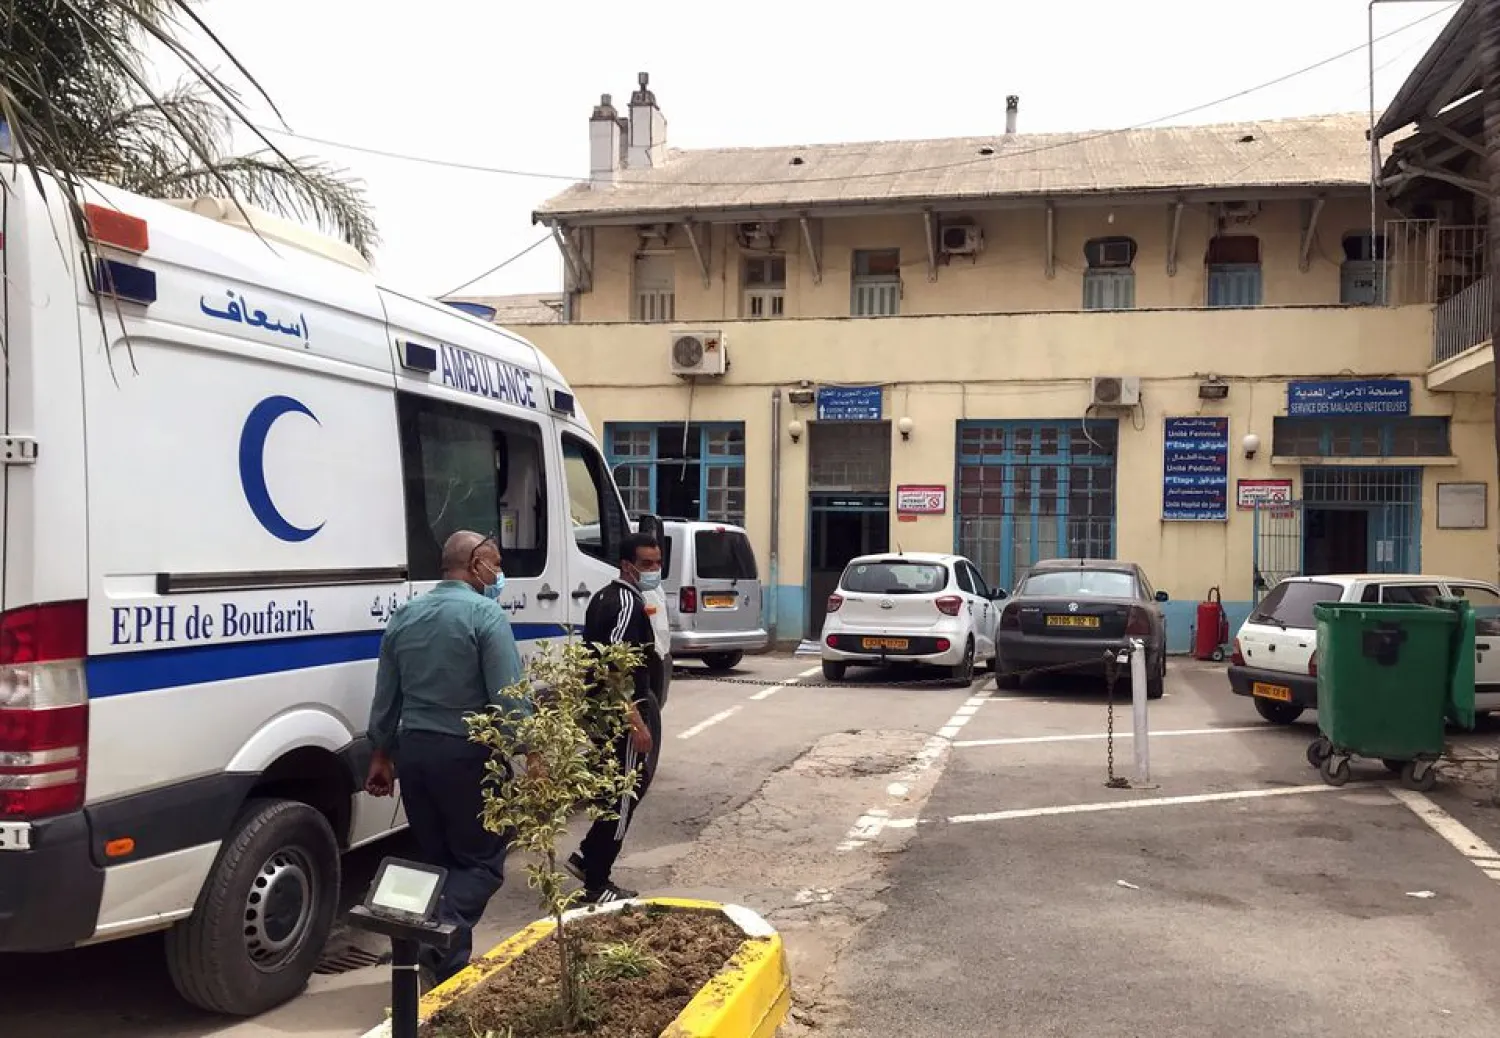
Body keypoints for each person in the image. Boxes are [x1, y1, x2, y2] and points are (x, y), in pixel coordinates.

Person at [364, 530, 529, 984]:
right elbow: (508, 696)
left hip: (415, 753)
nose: (498, 574)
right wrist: (533, 751)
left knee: (438, 860)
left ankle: (446, 969)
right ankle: (428, 936)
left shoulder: (405, 615)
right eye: (494, 564)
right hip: (468, 754)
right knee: (480, 862)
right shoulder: (485, 615)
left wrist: (381, 753)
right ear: (475, 565)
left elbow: (387, 695)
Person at [564, 532, 660, 903]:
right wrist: (635, 720)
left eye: (657, 562)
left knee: (617, 789)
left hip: (609, 713)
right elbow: (611, 665)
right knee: (624, 792)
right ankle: (597, 881)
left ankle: (588, 856)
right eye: (646, 564)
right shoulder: (623, 603)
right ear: (627, 565)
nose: (653, 570)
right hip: (618, 714)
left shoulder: (613, 597)